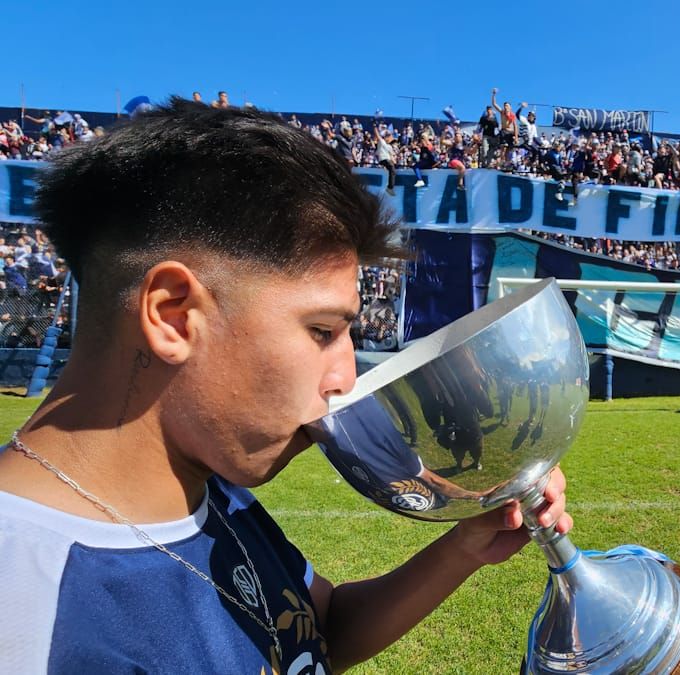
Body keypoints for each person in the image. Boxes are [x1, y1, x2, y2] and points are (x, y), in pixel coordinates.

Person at [0, 99, 571, 673]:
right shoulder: (30, 611)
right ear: (174, 315)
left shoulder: (206, 489)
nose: (345, 379)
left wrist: (463, 548)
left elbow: (315, 628)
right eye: (322, 331)